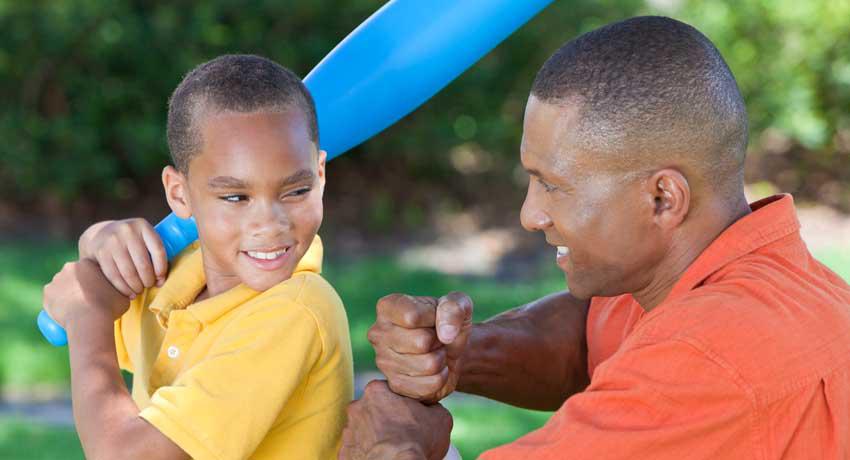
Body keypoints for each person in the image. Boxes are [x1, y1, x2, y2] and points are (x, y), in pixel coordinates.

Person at [341, 16, 850, 459]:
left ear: (663, 199)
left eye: (553, 186)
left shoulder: (709, 359)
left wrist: (387, 444)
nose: (530, 215)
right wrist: (464, 352)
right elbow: (589, 336)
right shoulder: (740, 276)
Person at [42, 54, 353, 459]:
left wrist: (88, 317)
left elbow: (124, 454)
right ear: (178, 194)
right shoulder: (174, 280)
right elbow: (65, 299)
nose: (271, 223)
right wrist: (98, 240)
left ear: (320, 175)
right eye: (236, 197)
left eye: (295, 191)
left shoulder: (297, 311)